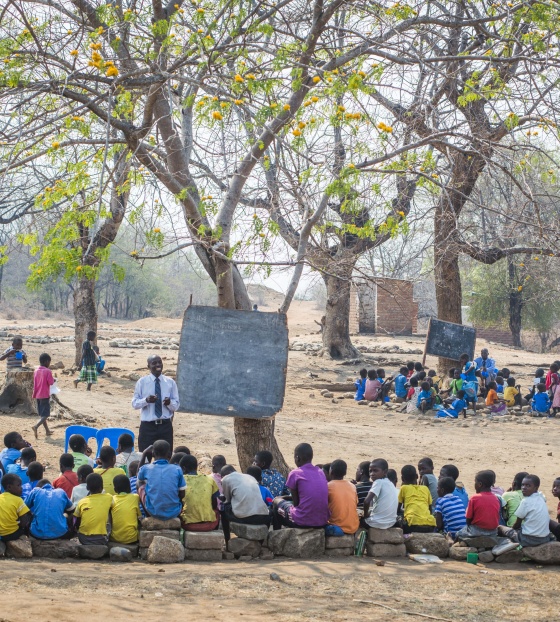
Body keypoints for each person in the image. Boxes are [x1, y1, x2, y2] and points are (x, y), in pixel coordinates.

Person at [272, 443, 329, 530]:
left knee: (276, 501)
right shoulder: (320, 472)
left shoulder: (295, 473)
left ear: (297, 458)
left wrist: (281, 499)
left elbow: (296, 503)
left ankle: (276, 536)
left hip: (302, 521)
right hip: (322, 521)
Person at [132, 355, 180, 451]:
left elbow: (176, 405)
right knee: (145, 457)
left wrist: (169, 403)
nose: (158, 365)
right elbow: (134, 404)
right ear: (148, 366)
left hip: (165, 426)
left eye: (159, 362)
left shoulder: (170, 383)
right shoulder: (142, 382)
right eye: (154, 363)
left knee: (166, 457)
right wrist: (146, 400)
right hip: (148, 426)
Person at [137, 440, 186, 520]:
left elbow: (138, 476)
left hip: (152, 512)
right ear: (170, 454)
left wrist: (144, 454)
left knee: (139, 483)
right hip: (174, 512)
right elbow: (182, 494)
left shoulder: (146, 468)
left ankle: (147, 515)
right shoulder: (177, 469)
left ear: (153, 454)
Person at [499, 475, 552, 547]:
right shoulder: (541, 497)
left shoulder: (526, 501)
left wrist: (512, 530)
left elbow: (517, 524)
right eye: (522, 485)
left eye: (528, 486)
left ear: (536, 488)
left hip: (527, 539)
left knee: (502, 528)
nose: (524, 488)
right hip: (545, 538)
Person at [221, 465, 271, 541]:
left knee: (223, 508)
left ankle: (227, 540)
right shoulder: (250, 477)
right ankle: (262, 541)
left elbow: (227, 500)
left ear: (225, 474)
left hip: (245, 517)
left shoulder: (226, 479)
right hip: (262, 516)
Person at [455, 470, 501, 540]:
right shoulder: (496, 498)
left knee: (458, 534)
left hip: (476, 531)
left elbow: (468, 520)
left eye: (475, 482)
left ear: (480, 484)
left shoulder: (474, 498)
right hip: (493, 532)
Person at [179, 454, 220, 531]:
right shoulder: (209, 479)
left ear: (183, 469)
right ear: (196, 467)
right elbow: (214, 504)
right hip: (209, 524)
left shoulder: (181, 480)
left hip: (187, 524)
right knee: (217, 511)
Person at [74, 473, 113, 545]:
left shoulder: (82, 501)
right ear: (102, 487)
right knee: (112, 511)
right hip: (101, 539)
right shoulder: (109, 498)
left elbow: (76, 521)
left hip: (83, 538)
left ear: (87, 488)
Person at [397, 465, 436, 533]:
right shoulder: (425, 488)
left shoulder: (403, 488)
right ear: (417, 476)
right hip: (429, 525)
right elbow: (430, 510)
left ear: (402, 479)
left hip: (412, 525)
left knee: (398, 518)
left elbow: (398, 509)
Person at [363, 459, 398, 529]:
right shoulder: (390, 483)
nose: (372, 474)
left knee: (358, 520)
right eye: (370, 471)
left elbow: (366, 501)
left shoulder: (378, 482)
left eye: (375, 470)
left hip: (377, 523)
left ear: (385, 472)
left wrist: (366, 515)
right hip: (391, 522)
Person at [327, 459, 359, 535]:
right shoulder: (352, 486)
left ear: (331, 471)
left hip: (337, 527)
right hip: (353, 527)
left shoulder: (328, 486)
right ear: (345, 473)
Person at [110, 474, 141, 545]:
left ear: (115, 490)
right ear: (130, 487)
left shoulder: (112, 499)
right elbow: (139, 516)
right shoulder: (135, 497)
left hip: (115, 538)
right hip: (132, 538)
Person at [0, 473, 31, 541]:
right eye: (18, 485)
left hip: (1, 534)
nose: (21, 488)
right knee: (28, 518)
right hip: (11, 534)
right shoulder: (18, 500)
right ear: (9, 487)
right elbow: (24, 521)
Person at [31, 353, 55, 439]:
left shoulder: (36, 370)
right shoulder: (47, 371)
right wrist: (54, 379)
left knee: (42, 414)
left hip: (37, 394)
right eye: (49, 362)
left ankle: (47, 431)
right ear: (46, 361)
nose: (49, 364)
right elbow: (51, 382)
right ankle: (36, 426)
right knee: (46, 414)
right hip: (45, 395)